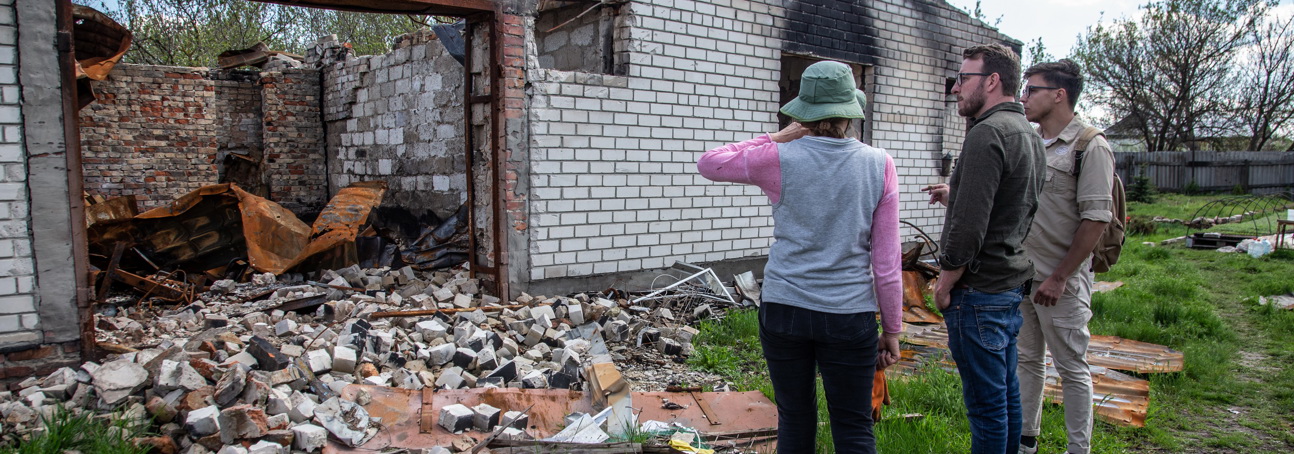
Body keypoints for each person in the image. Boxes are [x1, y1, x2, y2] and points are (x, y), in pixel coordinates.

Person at [697, 60, 902, 453]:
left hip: (785, 307)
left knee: (794, 417)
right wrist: (891, 330)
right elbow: (887, 263)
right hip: (848, 314)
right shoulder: (879, 165)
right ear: (849, 113)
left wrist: (777, 137)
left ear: (804, 112)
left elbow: (711, 162)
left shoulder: (778, 157)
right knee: (854, 424)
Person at [923, 44, 1045, 454]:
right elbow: (1010, 204)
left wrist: (945, 281)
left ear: (992, 81)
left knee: (987, 408)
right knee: (1006, 398)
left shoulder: (987, 133)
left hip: (979, 293)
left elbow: (969, 227)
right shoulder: (1028, 134)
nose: (956, 87)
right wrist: (954, 193)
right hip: (1008, 285)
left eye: (964, 78)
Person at [1015, 59, 1113, 454]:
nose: (1023, 97)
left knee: (1072, 368)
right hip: (1023, 275)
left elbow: (1095, 219)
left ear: (1058, 95)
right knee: (1027, 362)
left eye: (1031, 89)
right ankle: (1026, 441)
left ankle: (1078, 449)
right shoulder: (1034, 141)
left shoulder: (1090, 145)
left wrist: (1059, 277)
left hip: (1061, 282)